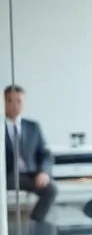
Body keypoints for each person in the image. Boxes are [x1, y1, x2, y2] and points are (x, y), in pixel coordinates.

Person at [3, 84, 57, 222]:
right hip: (7, 176)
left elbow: (45, 153)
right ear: (3, 102)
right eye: (10, 101)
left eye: (19, 101)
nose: (14, 105)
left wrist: (44, 172)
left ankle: (35, 223)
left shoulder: (33, 126)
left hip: (31, 174)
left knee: (51, 189)